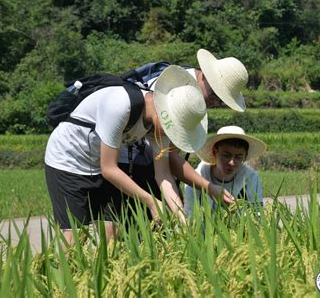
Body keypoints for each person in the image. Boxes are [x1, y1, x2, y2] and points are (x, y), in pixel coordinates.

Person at [45, 65, 208, 244]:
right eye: (174, 129)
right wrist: (151, 202)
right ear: (165, 113)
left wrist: (181, 217)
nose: (172, 135)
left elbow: (163, 175)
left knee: (112, 231)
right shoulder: (120, 106)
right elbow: (109, 169)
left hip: (98, 161)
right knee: (75, 238)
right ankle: (64, 271)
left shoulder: (159, 128)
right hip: (69, 161)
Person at [117, 48, 249, 211]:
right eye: (215, 96)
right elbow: (168, 157)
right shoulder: (172, 90)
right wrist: (208, 187)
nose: (215, 104)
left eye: (222, 101)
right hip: (128, 160)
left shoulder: (195, 96)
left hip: (152, 163)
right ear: (204, 76)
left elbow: (167, 158)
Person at [184, 126, 267, 217]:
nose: (232, 162)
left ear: (245, 156)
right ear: (215, 152)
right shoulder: (196, 178)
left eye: (238, 157)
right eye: (226, 155)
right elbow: (190, 214)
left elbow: (258, 215)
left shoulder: (251, 179)